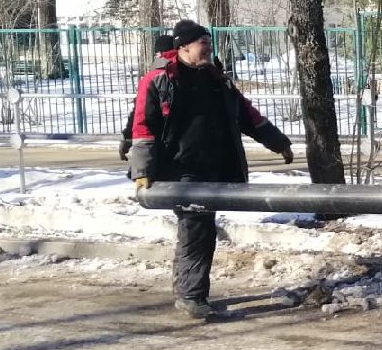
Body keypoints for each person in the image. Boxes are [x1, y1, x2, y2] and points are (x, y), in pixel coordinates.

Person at [127, 20, 294, 320]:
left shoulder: (217, 79)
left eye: (209, 42)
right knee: (197, 227)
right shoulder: (158, 81)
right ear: (183, 47)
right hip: (181, 169)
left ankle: (187, 291)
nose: (209, 47)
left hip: (215, 166)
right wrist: (142, 169)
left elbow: (247, 115)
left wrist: (278, 142)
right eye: (203, 42)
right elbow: (142, 126)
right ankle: (191, 296)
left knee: (199, 229)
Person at [118, 33, 174, 161]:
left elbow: (141, 112)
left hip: (160, 145)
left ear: (159, 54)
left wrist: (127, 138)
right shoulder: (196, 71)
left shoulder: (153, 77)